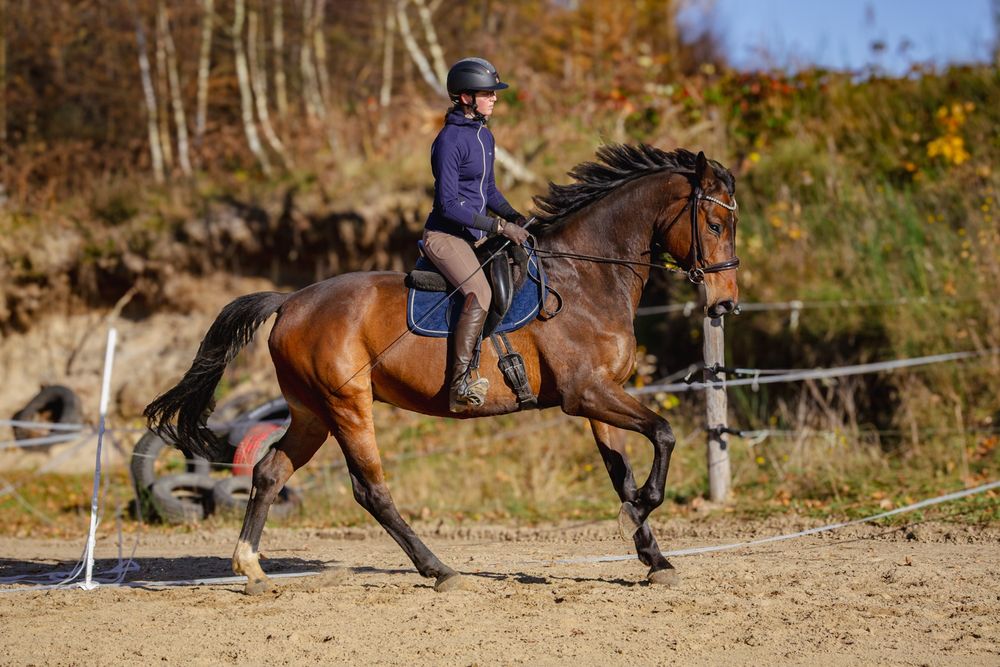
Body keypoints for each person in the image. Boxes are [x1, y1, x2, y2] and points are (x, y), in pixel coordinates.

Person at [422, 57, 530, 413]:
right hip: (447, 236)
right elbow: (449, 204)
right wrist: (499, 227)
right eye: (488, 93)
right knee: (479, 292)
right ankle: (459, 384)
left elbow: (489, 191)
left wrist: (515, 216)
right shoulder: (449, 140)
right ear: (466, 97)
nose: (495, 99)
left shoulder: (484, 134)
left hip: (476, 234)